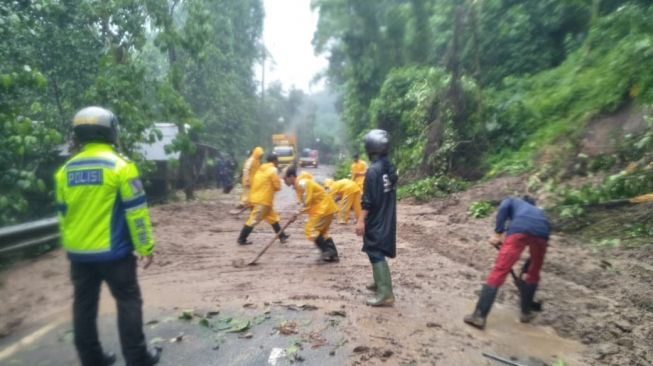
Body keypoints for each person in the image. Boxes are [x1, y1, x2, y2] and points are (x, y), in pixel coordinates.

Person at [54, 106, 161, 366]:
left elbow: (63, 216)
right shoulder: (121, 168)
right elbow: (136, 213)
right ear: (110, 131)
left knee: (84, 306)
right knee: (128, 301)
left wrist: (73, 247)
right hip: (115, 253)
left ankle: (92, 359)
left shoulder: (65, 171)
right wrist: (146, 246)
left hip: (79, 255)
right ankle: (137, 358)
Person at [463, 195, 550, 329]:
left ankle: (479, 316)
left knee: (499, 271)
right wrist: (525, 271)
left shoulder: (513, 201)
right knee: (533, 272)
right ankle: (526, 313)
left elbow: (504, 207)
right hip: (543, 233)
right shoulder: (539, 213)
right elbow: (535, 252)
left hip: (519, 230)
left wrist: (498, 234)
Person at [356, 129, 398, 307]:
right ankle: (379, 282)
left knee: (375, 249)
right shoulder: (389, 167)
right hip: (387, 214)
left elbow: (368, 200)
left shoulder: (373, 170)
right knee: (375, 248)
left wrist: (360, 220)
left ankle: (386, 293)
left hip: (376, 216)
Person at [284, 166, 339, 263]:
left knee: (310, 230)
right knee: (321, 232)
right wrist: (296, 213)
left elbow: (306, 201)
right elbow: (303, 202)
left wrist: (296, 213)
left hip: (322, 209)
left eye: (285, 179)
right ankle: (333, 255)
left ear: (291, 177)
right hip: (325, 208)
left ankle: (327, 251)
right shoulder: (299, 186)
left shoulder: (302, 183)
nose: (284, 181)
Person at [237, 154, 290, 245]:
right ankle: (241, 239)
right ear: (274, 161)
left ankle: (282, 236)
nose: (278, 163)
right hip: (263, 201)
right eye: (277, 161)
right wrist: (279, 181)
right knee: (253, 220)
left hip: (259, 198)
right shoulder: (273, 170)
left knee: (273, 219)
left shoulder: (261, 169)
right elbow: (277, 186)